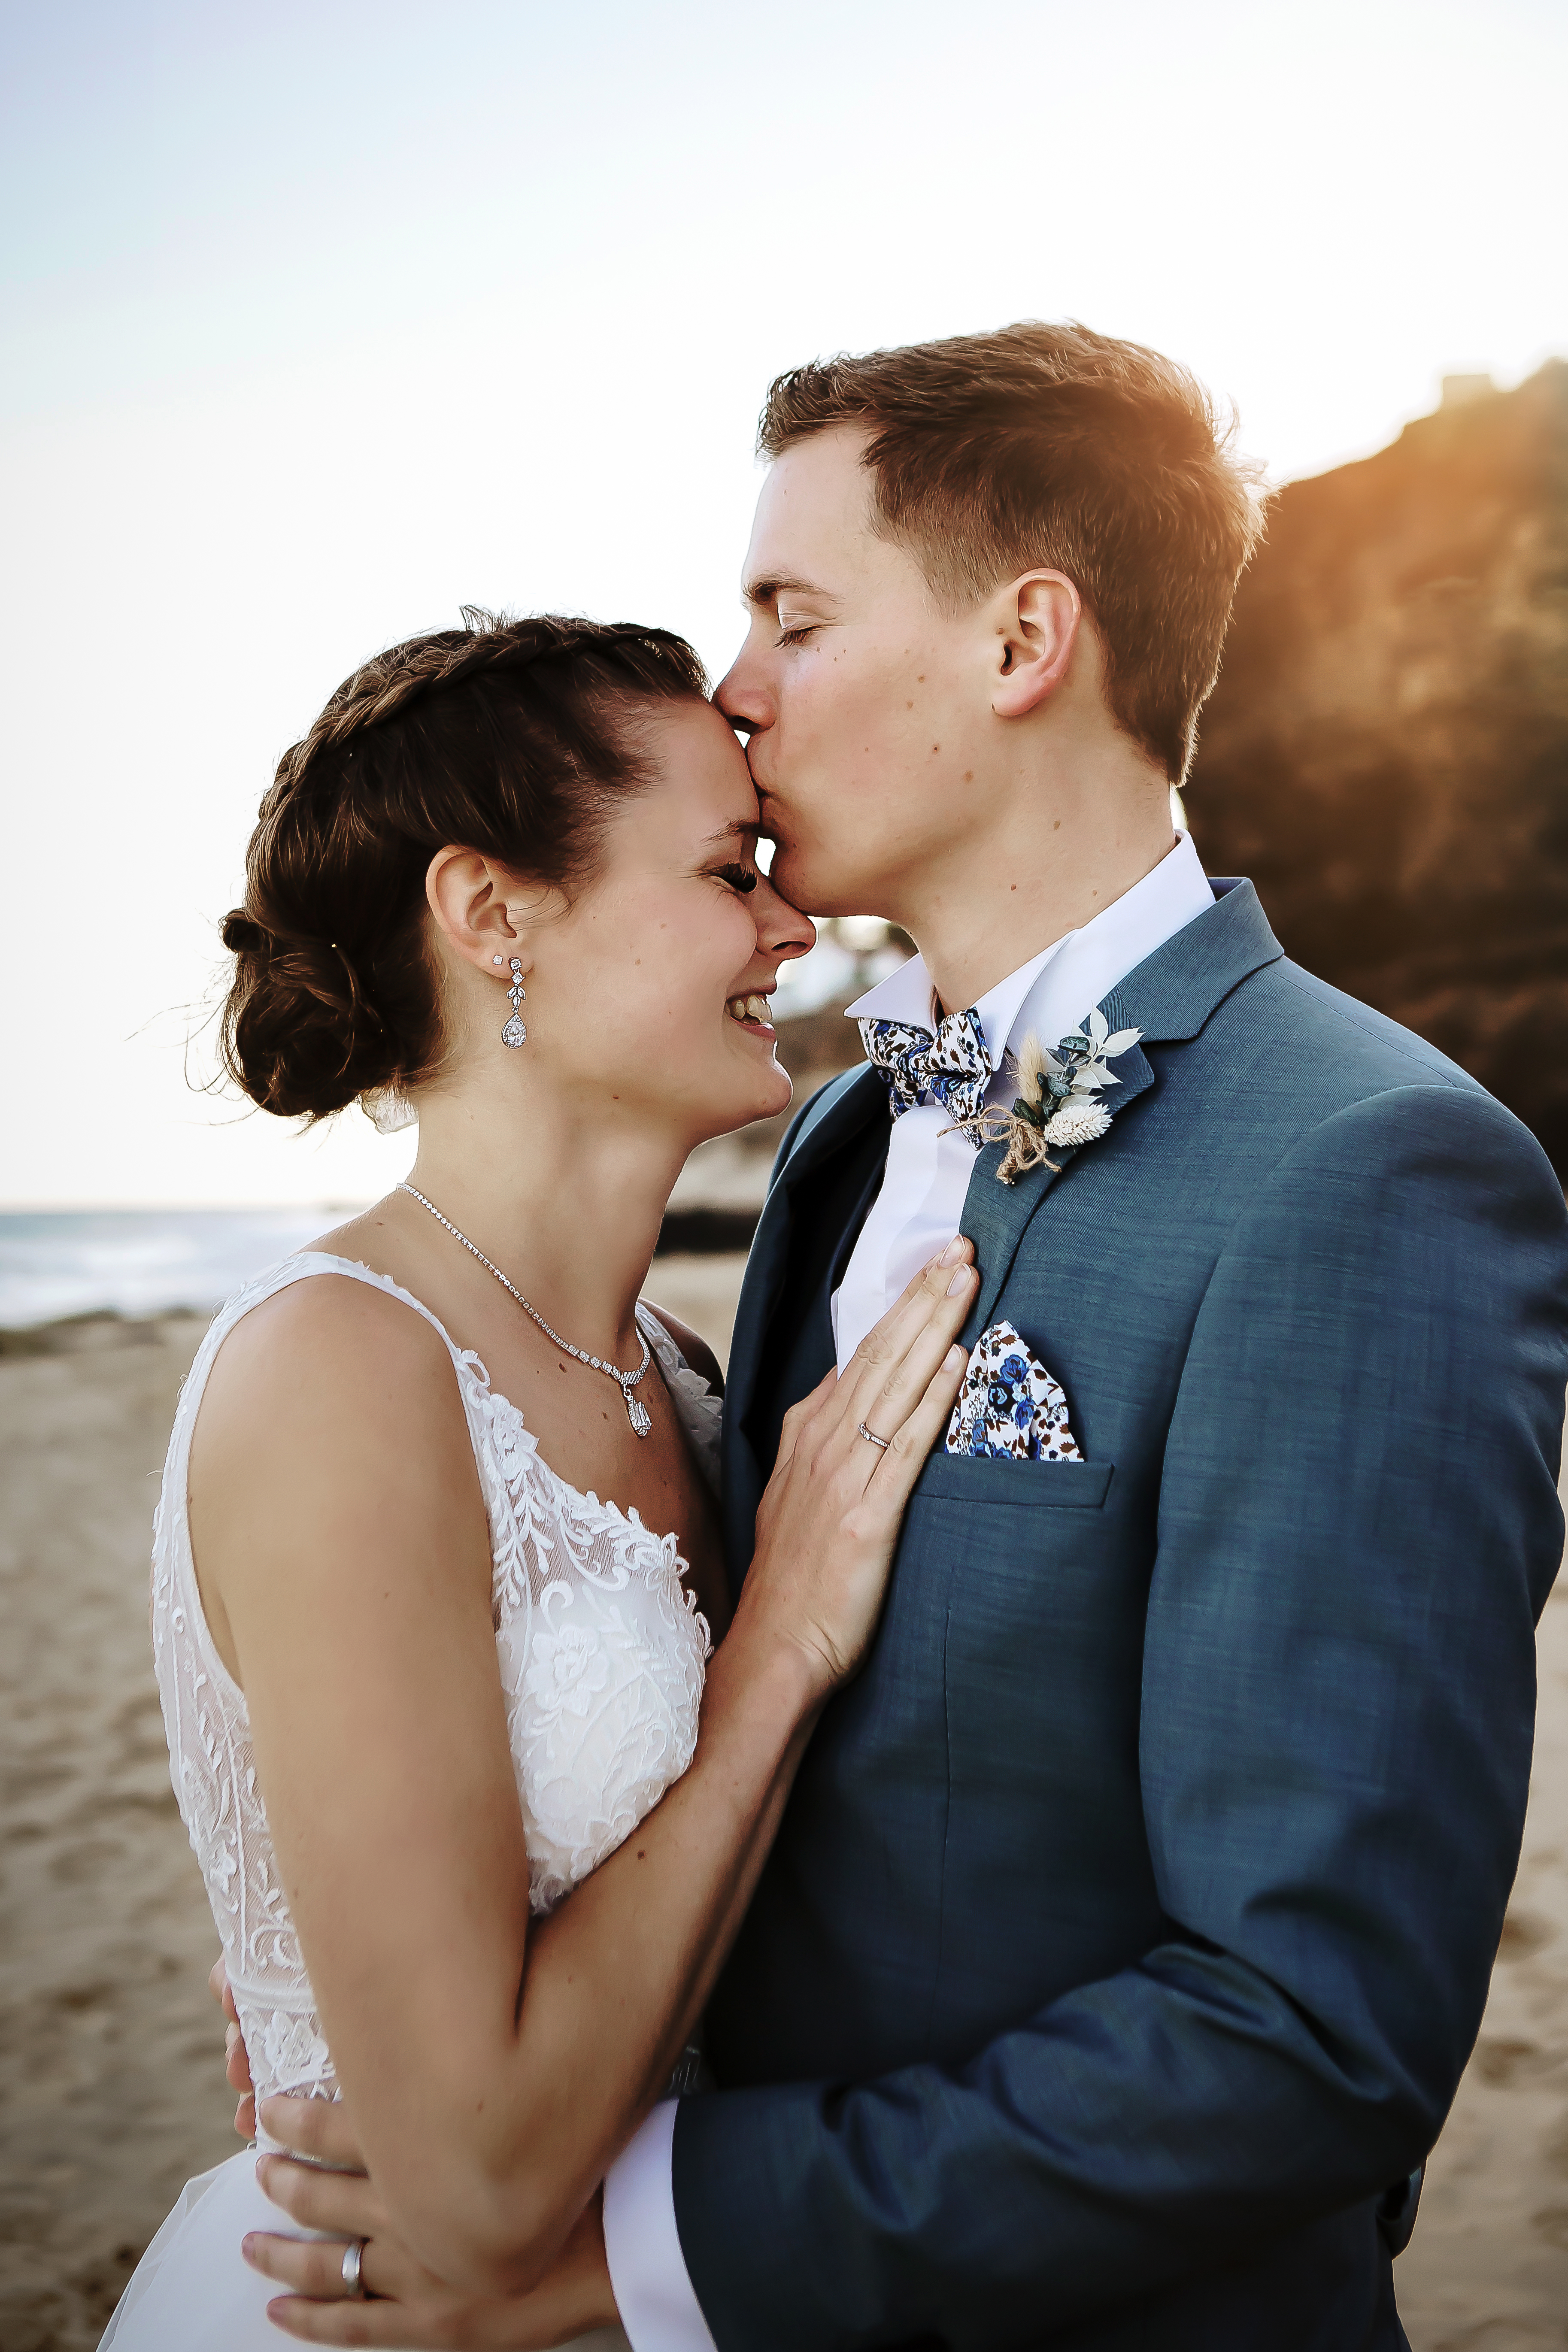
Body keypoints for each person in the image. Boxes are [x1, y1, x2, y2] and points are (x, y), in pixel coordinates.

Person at [228, 326, 1568, 2352]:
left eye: (791, 613)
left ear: (1025, 637)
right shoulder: (848, 1134)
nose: (732, 689)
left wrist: (624, 2249)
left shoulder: (1366, 1170)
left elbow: (1311, 2026)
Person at [101, 612, 978, 2351]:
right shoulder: (335, 1366)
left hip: (677, 2283)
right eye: (734, 869)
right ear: (492, 913)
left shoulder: (683, 1376)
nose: (797, 926)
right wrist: (775, 1648)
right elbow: (479, 2185)